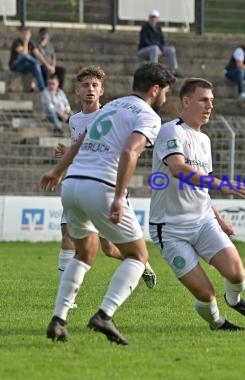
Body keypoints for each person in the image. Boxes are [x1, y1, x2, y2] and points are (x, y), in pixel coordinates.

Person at [40, 63, 175, 345]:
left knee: (84, 252)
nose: (165, 98)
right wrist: (118, 196)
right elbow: (129, 152)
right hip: (100, 187)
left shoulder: (113, 106)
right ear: (155, 89)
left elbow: (81, 143)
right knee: (138, 257)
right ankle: (104, 314)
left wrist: (57, 171)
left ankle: (58, 319)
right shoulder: (149, 116)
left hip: (72, 185)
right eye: (165, 92)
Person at [149, 78, 245, 331]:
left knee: (237, 274)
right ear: (186, 101)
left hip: (203, 221)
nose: (210, 105)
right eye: (204, 100)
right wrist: (221, 183)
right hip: (170, 229)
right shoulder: (171, 131)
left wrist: (219, 217)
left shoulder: (205, 140)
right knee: (205, 294)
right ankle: (218, 323)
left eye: (212, 101)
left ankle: (234, 300)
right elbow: (178, 169)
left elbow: (200, 186)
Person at [53, 65, 157, 296]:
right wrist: (66, 155)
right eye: (85, 85)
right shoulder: (74, 120)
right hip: (82, 182)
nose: (90, 89)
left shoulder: (110, 114)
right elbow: (88, 150)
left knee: (109, 249)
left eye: (95, 85)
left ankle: (140, 263)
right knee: (67, 235)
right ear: (77, 91)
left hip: (107, 184)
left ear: (101, 91)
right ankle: (67, 296)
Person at [137, 9, 181, 78]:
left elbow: (162, 41)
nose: (153, 19)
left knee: (171, 50)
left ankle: (174, 71)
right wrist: (157, 48)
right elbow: (145, 41)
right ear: (149, 18)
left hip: (157, 50)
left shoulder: (158, 28)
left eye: (155, 17)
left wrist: (160, 49)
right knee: (154, 48)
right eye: (152, 17)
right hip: (143, 50)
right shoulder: (144, 28)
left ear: (157, 19)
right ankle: (154, 71)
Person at [9, 26, 45, 92]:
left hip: (26, 67)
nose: (26, 36)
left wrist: (47, 65)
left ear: (30, 35)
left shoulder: (31, 43)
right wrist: (26, 41)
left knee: (36, 65)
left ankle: (42, 88)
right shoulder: (17, 42)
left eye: (27, 34)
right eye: (24, 34)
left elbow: (38, 55)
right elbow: (24, 54)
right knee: (28, 58)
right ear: (21, 34)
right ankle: (36, 63)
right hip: (15, 66)